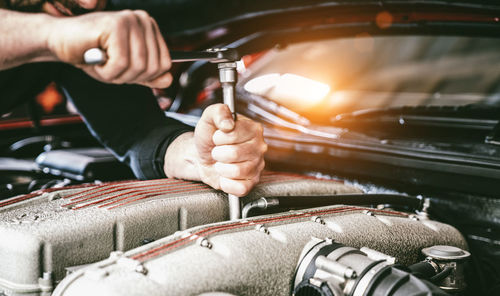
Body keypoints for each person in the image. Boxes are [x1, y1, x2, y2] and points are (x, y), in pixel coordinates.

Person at [0, 0, 267, 197]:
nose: (89, 3)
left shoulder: (76, 15)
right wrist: (51, 35)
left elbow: (138, 132)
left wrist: (198, 155)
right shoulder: (63, 25)